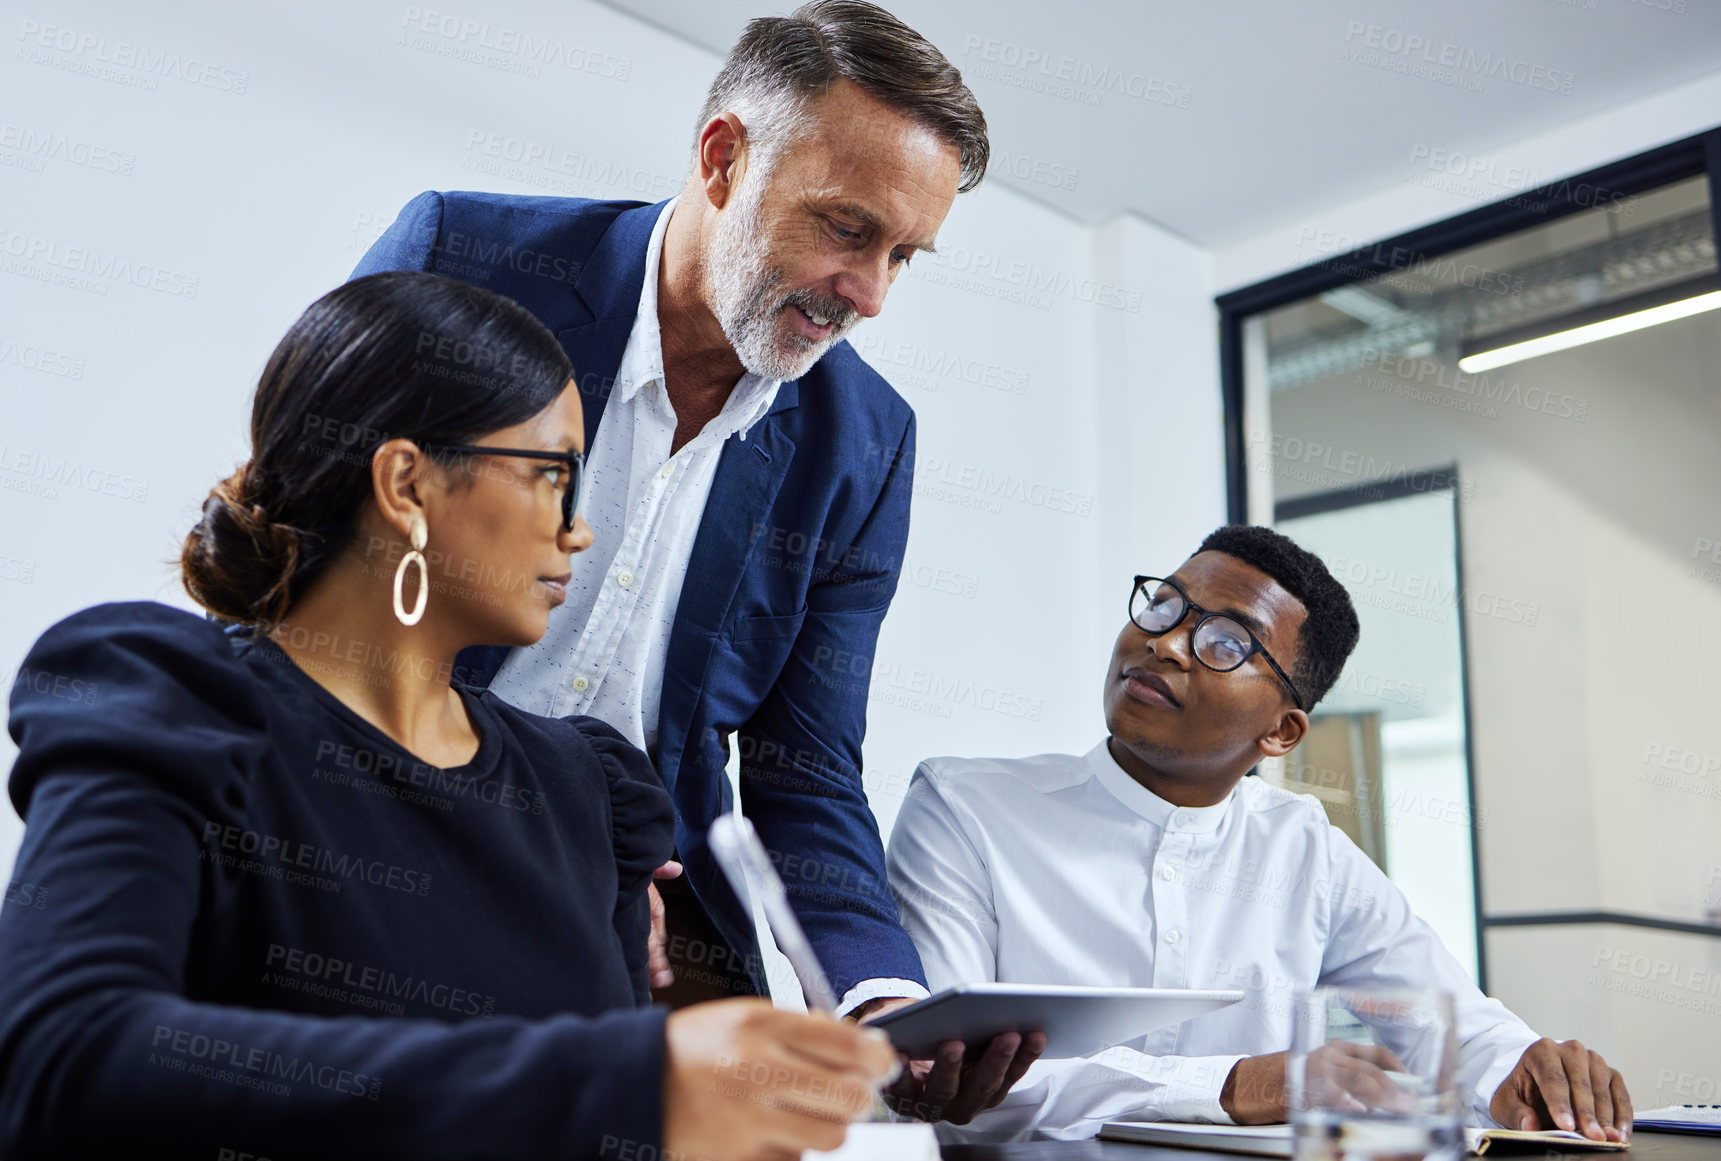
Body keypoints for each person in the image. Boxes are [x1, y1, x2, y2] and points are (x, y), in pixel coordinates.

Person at [0, 271, 894, 1160]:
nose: (577, 530)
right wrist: (614, 1082)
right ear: (407, 484)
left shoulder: (588, 792)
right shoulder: (173, 701)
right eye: (554, 478)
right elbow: (63, 1063)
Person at [351, 0, 1038, 1123]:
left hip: (650, 909)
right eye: (845, 228)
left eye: (904, 256)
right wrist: (539, 846)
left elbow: (803, 766)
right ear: (722, 159)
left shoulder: (865, 443)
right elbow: (305, 588)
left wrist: (876, 997)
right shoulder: (464, 264)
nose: (867, 294)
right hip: (376, 822)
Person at [886, 525, 1634, 1143]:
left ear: (1281, 731)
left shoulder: (1303, 848)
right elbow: (935, 1070)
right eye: (1164, 606)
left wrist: (1526, 1074)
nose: (1166, 644)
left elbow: (1446, 1025)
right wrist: (1234, 1082)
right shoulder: (965, 806)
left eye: (1223, 642)